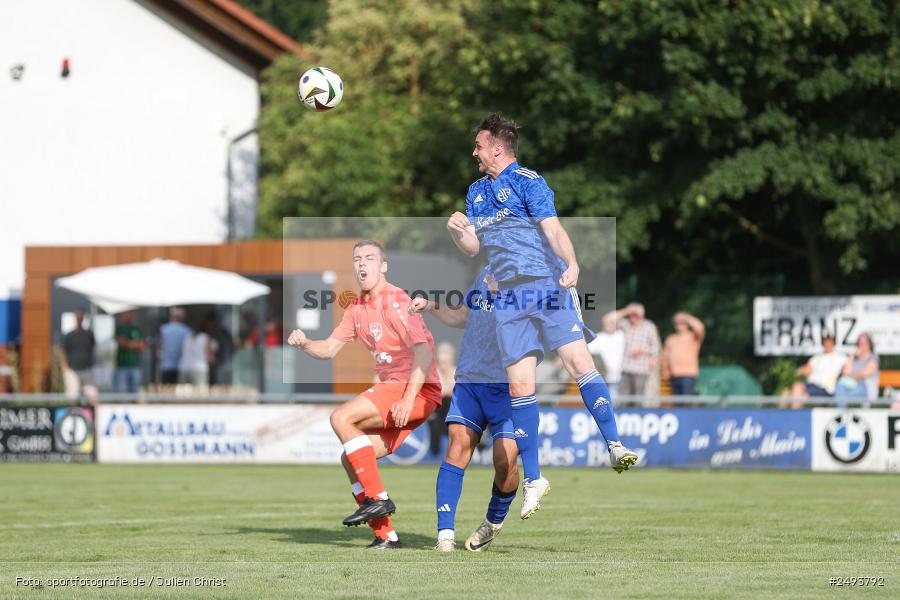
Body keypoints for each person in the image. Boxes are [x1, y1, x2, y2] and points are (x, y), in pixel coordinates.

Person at [447, 112, 638, 519]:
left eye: (479, 145)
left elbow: (552, 227)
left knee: (577, 362)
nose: (474, 152)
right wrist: (458, 232)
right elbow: (471, 248)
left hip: (546, 284)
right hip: (509, 299)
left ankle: (615, 444)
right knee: (520, 388)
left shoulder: (528, 182)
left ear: (497, 147)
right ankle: (534, 478)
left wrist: (572, 263)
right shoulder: (476, 193)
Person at [288, 240, 442, 550]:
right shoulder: (356, 308)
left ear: (383, 266)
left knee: (341, 417)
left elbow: (425, 353)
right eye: (357, 259)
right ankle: (386, 536)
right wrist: (305, 344)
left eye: (370, 258)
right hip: (397, 392)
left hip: (416, 389)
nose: (362, 264)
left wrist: (408, 398)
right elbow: (330, 348)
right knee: (352, 457)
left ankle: (379, 499)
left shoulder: (397, 300)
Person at [411, 267, 521, 552]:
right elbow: (463, 314)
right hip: (471, 380)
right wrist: (432, 306)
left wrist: (504, 297)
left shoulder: (532, 274)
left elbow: (533, 327)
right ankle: (445, 535)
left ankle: (492, 522)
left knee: (506, 460)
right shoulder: (485, 271)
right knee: (457, 448)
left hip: (508, 386)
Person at [603, 303, 661, 397]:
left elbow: (655, 346)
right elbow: (607, 319)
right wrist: (626, 311)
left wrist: (643, 352)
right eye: (631, 314)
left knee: (638, 398)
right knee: (624, 398)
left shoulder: (649, 327)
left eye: (636, 315)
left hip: (641, 369)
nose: (633, 317)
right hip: (625, 368)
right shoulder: (625, 324)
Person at [788, 333, 846, 407]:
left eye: (829, 343)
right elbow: (807, 369)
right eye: (825, 343)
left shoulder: (841, 358)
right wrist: (800, 371)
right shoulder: (817, 357)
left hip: (825, 389)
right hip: (811, 385)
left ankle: (794, 416)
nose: (827, 345)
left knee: (799, 393)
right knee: (787, 392)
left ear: (833, 343)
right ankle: (786, 416)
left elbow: (847, 370)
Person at [661, 311, 706, 396]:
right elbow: (665, 357)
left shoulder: (693, 336)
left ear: (687, 324)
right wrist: (665, 370)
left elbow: (700, 327)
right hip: (673, 375)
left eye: (682, 323)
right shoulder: (671, 338)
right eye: (677, 323)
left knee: (686, 403)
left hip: (688, 376)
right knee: (677, 405)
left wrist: (687, 317)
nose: (679, 325)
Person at [428, 342, 457, 457]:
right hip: (437, 410)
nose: (443, 361)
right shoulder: (434, 374)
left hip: (452, 410)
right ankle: (434, 452)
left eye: (446, 356)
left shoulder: (457, 372)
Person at [835, 333, 880, 406]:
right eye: (859, 343)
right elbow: (845, 372)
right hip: (852, 387)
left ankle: (840, 412)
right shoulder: (855, 359)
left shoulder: (873, 358)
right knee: (840, 385)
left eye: (863, 343)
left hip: (867, 390)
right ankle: (841, 412)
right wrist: (852, 356)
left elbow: (863, 375)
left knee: (841, 395)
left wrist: (850, 375)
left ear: (869, 344)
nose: (861, 346)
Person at [587, 313, 625, 398]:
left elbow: (609, 317)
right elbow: (587, 350)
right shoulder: (600, 337)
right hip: (608, 376)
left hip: (624, 374)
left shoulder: (621, 334)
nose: (607, 326)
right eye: (605, 324)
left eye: (609, 323)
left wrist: (627, 311)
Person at [60, 308, 96, 400]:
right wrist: (65, 367)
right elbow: (63, 351)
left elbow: (92, 347)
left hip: (87, 370)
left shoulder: (89, 334)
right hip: (72, 370)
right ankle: (73, 413)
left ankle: (90, 414)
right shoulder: (69, 335)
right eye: (78, 316)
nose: (79, 318)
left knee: (91, 395)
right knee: (73, 396)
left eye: (81, 316)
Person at [114, 310, 145, 393]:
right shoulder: (120, 328)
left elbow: (142, 346)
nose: (129, 316)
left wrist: (128, 344)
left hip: (135, 365)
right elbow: (121, 343)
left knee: (134, 392)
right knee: (121, 391)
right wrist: (135, 344)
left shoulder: (136, 329)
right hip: (122, 366)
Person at [159, 308, 191, 384]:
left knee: (166, 391)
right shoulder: (187, 330)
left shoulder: (163, 329)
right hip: (182, 366)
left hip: (166, 365)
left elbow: (158, 346)